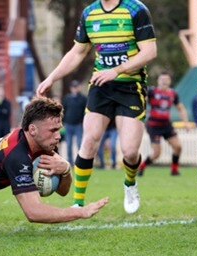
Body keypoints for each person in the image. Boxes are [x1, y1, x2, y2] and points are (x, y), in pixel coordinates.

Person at [36, 0, 157, 214]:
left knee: (129, 152)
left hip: (131, 87)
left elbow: (149, 52)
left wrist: (117, 71)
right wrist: (52, 78)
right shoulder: (89, 13)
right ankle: (78, 202)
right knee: (89, 140)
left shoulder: (136, 10)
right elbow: (78, 52)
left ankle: (130, 183)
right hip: (100, 87)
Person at [138, 72, 191, 176]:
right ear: (158, 81)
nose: (164, 81)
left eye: (166, 79)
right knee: (157, 154)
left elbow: (181, 108)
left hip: (166, 125)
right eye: (162, 79)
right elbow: (141, 101)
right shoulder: (152, 91)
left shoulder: (173, 94)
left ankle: (174, 170)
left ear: (170, 81)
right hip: (153, 126)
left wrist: (186, 123)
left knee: (178, 147)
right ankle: (142, 167)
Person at [61, 81, 87, 166]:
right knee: (69, 144)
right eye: (73, 87)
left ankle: (80, 162)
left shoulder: (83, 99)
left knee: (80, 144)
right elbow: (63, 110)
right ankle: (70, 161)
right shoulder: (67, 98)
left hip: (78, 125)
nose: (75, 89)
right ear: (71, 88)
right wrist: (63, 122)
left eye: (76, 87)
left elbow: (85, 112)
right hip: (68, 125)